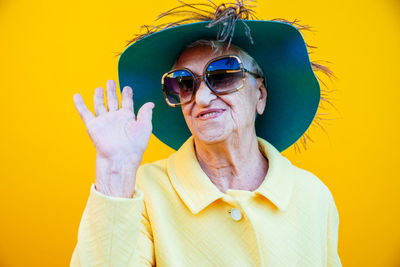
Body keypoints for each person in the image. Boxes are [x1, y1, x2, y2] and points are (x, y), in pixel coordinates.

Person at [70, 1, 341, 266]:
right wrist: (115, 172)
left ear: (260, 95)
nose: (201, 98)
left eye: (224, 75)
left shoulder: (313, 196)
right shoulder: (142, 192)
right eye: (184, 83)